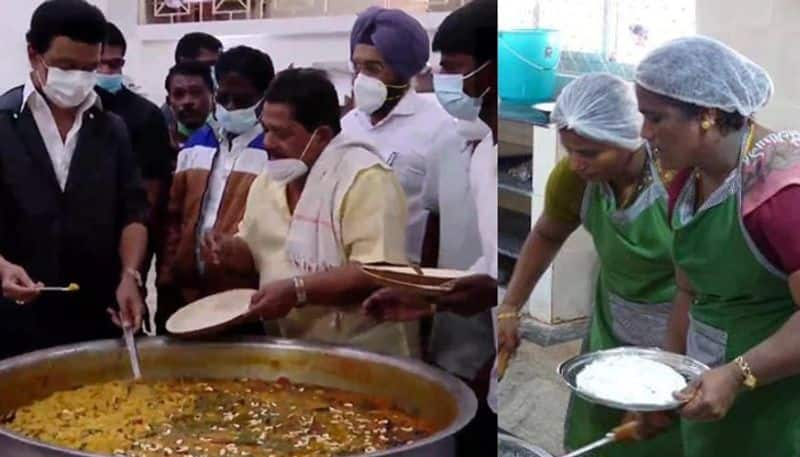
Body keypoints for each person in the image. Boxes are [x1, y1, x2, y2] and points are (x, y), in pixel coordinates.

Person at [495, 73, 683, 457]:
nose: (577, 164)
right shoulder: (574, 179)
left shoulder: (678, 183)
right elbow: (547, 233)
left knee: (659, 438)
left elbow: (694, 288)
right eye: (570, 151)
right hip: (612, 324)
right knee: (597, 436)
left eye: (591, 153)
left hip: (679, 329)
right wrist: (510, 307)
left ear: (631, 138)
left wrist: (665, 372)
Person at [631, 36, 800, 457]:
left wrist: (740, 373)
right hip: (712, 376)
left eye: (656, 118)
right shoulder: (686, 177)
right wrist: (667, 379)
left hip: (777, 395)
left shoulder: (779, 192)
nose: (644, 133)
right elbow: (689, 289)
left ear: (707, 114)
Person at [362, 1, 498, 455]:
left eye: (456, 69)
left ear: (493, 69)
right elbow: (437, 225)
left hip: (489, 322)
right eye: (442, 70)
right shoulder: (458, 138)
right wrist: (424, 295)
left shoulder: (455, 135)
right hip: (449, 321)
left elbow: (495, 269)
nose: (445, 82)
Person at [205, 68, 417, 357]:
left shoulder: (365, 179)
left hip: (362, 353)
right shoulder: (269, 182)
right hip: (292, 350)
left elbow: (375, 272)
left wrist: (298, 291)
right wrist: (228, 249)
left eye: (281, 133)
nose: (267, 143)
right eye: (266, 129)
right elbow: (254, 253)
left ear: (321, 136)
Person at [0, 0, 148, 359]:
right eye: (66, 66)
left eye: (89, 67)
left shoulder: (111, 129)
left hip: (98, 311)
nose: (79, 78)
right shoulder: (4, 122)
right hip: (16, 315)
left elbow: (133, 213)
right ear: (34, 54)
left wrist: (131, 274)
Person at [158, 46, 274, 329]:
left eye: (242, 100)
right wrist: (169, 270)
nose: (231, 107)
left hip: (245, 296)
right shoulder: (197, 143)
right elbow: (174, 216)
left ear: (263, 97)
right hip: (188, 289)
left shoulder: (274, 150)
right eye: (224, 97)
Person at [341, 6, 464, 265]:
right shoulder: (346, 127)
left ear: (403, 70)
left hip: (405, 275)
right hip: (347, 272)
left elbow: (443, 221)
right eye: (357, 66)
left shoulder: (439, 129)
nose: (361, 78)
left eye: (374, 68)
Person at [96, 21, 174, 333]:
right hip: (68, 254)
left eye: (115, 64)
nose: (107, 72)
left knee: (123, 329)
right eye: (100, 64)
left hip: (128, 245)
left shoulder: (142, 115)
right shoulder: (18, 117)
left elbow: (149, 195)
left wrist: (133, 267)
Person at [162, 32, 223, 146]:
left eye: (218, 65)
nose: (214, 71)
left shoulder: (226, 117)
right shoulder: (162, 122)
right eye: (209, 64)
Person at [164, 61, 215, 152]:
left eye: (196, 92)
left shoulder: (228, 141)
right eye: (178, 94)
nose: (187, 101)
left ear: (213, 96)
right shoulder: (157, 142)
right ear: (169, 102)